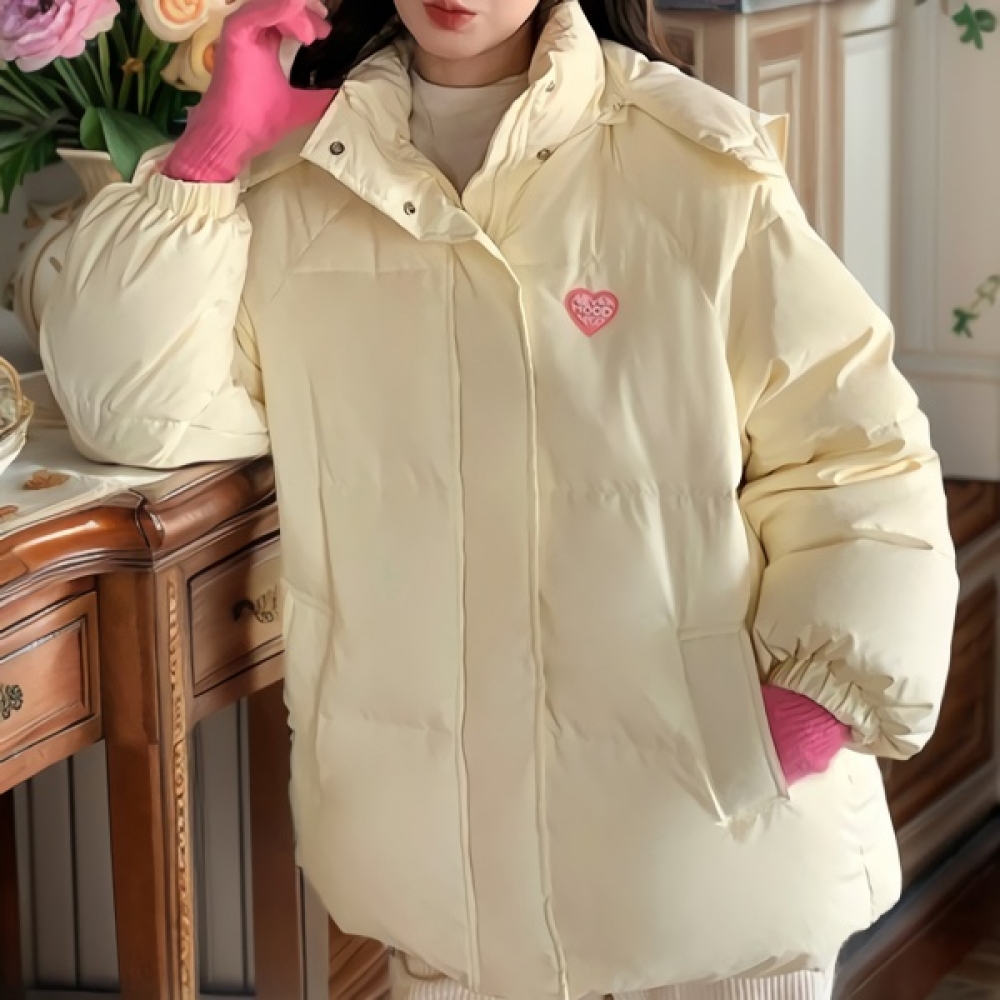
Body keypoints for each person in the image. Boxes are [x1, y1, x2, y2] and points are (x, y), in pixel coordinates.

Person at [40, 1, 959, 998]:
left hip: (710, 855)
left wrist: (812, 705)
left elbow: (853, 448)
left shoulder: (691, 161)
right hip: (448, 875)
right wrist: (208, 157)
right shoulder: (298, 183)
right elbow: (135, 411)